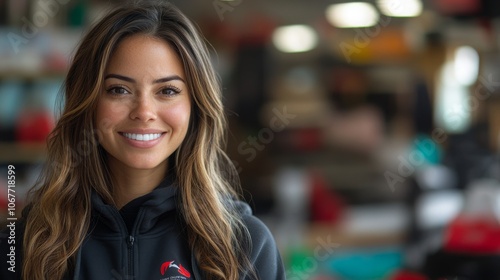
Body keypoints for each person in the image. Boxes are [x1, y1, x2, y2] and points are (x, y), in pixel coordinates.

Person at [0, 1, 285, 279]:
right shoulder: (26, 246)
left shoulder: (246, 246)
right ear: (88, 104)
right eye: (119, 90)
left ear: (195, 107)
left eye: (168, 91)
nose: (144, 112)